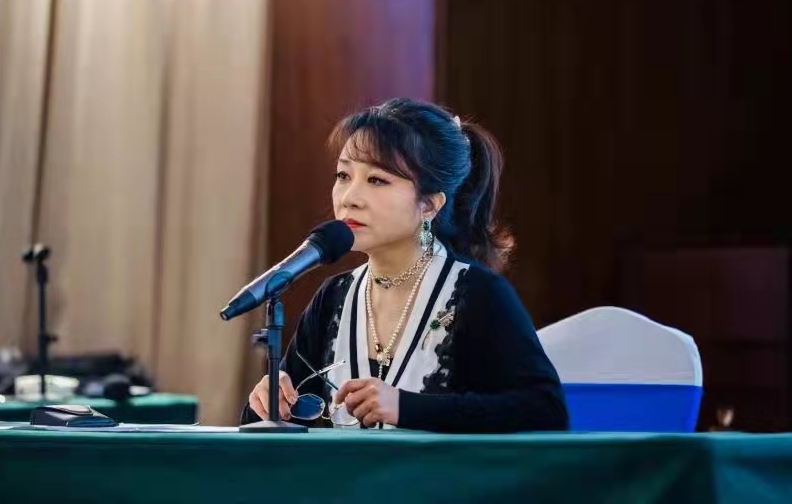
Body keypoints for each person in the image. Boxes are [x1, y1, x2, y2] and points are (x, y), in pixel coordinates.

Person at [242, 98, 568, 432]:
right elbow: (283, 426)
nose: (349, 198)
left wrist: (405, 407)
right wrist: (268, 406)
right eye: (343, 175)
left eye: (376, 180)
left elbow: (545, 410)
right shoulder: (334, 297)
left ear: (429, 205)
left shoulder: (477, 294)